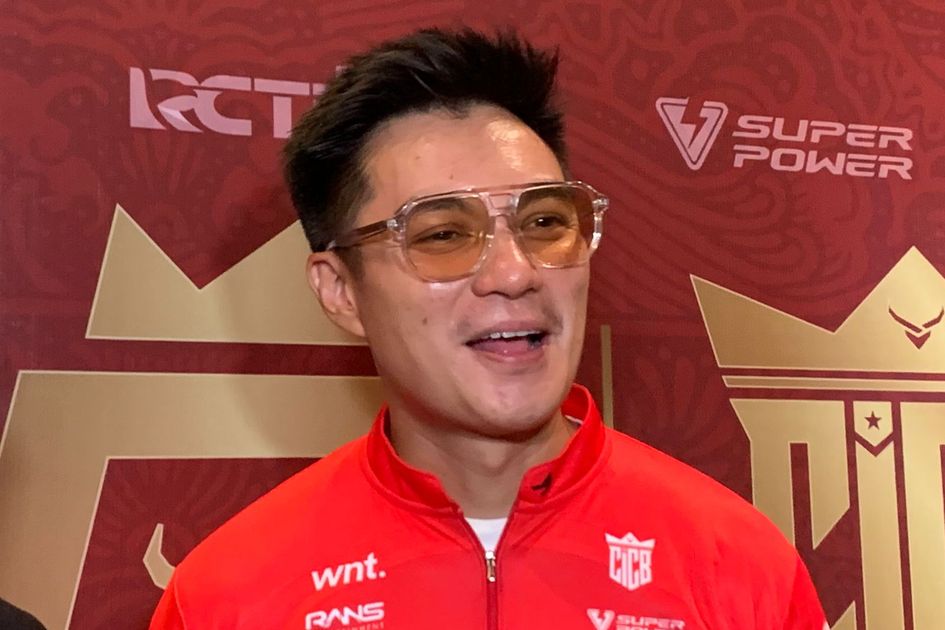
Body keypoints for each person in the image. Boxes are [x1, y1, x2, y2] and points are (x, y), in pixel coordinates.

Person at [149, 28, 827, 629]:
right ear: (341, 292)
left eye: (544, 222)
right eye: (443, 234)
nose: (514, 272)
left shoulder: (738, 564)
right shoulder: (227, 594)